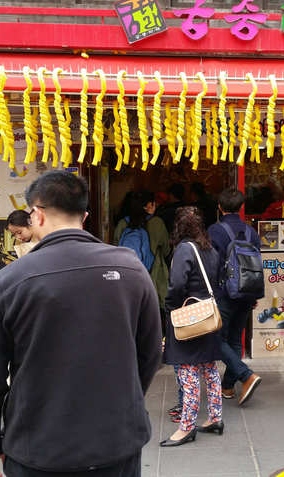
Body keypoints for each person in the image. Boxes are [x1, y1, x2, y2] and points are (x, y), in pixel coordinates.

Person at [0, 171, 162, 477]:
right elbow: (150, 352)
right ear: (84, 216)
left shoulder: (10, 280)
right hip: (116, 443)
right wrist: (122, 398)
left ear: (37, 215)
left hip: (38, 447)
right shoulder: (130, 268)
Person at [161, 206, 223, 447]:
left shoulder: (184, 249)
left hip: (189, 318)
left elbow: (177, 285)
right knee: (209, 368)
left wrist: (171, 308)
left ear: (178, 226)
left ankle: (187, 426)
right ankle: (215, 417)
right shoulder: (209, 249)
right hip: (208, 316)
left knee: (188, 372)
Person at [208, 188, 262, 405]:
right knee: (235, 338)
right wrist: (254, 293)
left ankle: (245, 375)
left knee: (214, 339)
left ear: (219, 207)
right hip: (247, 292)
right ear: (241, 208)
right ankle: (228, 387)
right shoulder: (252, 233)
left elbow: (212, 265)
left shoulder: (214, 231)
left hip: (223, 293)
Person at [114, 191, 171, 311]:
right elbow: (167, 249)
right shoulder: (157, 223)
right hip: (152, 276)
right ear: (149, 205)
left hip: (127, 277)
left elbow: (115, 248)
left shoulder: (123, 223)